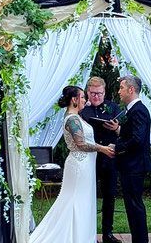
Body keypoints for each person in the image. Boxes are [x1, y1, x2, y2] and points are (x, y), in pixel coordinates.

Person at [29, 85, 114, 243]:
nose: (85, 100)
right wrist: (102, 148)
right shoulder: (72, 119)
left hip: (85, 165)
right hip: (79, 165)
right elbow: (80, 144)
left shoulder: (76, 116)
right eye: (82, 97)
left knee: (82, 200)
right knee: (75, 200)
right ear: (74, 99)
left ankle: (82, 236)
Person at [106, 75, 151, 243]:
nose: (119, 92)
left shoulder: (138, 110)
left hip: (134, 167)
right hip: (131, 166)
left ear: (131, 90)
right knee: (132, 208)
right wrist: (119, 132)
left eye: (122, 88)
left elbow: (138, 139)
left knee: (135, 208)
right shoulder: (133, 110)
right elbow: (132, 135)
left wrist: (117, 148)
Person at [81, 77, 122, 243]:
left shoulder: (113, 108)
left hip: (109, 158)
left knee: (109, 196)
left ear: (104, 92)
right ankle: (87, 234)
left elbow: (126, 133)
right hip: (89, 158)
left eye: (99, 93)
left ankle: (108, 234)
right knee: (87, 196)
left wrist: (117, 128)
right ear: (87, 92)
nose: (96, 96)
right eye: (92, 93)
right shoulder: (82, 110)